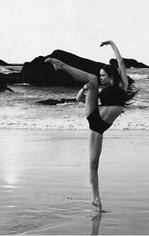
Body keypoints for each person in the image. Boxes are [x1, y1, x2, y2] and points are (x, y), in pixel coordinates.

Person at [45, 40, 133, 211]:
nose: (101, 77)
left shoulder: (123, 85)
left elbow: (120, 62)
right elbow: (80, 99)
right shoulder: (103, 88)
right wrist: (86, 89)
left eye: (103, 75)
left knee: (93, 165)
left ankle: (96, 199)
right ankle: (61, 65)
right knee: (90, 81)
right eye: (101, 75)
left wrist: (112, 44)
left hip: (99, 128)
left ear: (111, 76)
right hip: (94, 116)